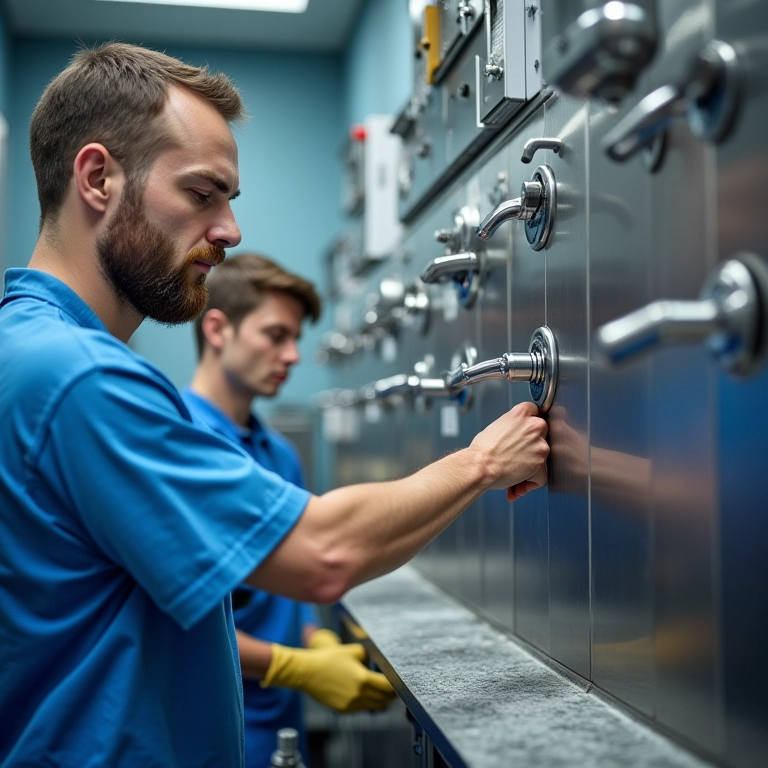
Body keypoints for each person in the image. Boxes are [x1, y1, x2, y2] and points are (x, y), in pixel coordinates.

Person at [0, 42, 549, 766]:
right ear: (98, 177)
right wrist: (480, 463)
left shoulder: (27, 346)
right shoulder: (78, 377)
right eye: (202, 194)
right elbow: (323, 554)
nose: (229, 230)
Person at [183, 253, 395, 767]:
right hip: (213, 732)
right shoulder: (182, 447)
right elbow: (180, 622)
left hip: (282, 730)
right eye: (276, 335)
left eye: (296, 338)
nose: (294, 355)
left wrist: (315, 640)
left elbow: (288, 592)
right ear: (217, 329)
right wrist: (295, 668)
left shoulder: (279, 455)